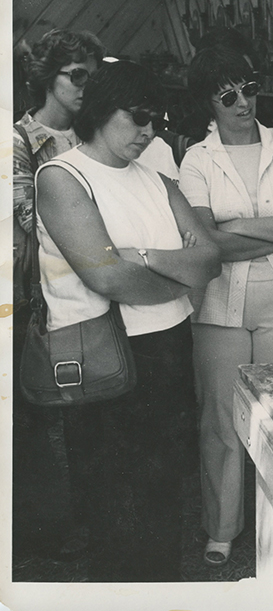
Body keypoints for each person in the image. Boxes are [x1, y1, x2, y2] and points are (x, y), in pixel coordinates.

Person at [34, 60, 222, 581]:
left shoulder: (157, 179)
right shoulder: (61, 177)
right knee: (117, 511)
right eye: (138, 116)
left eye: (155, 119)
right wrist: (177, 272)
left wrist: (140, 256)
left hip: (168, 349)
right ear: (98, 109)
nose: (149, 131)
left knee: (162, 499)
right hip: (108, 361)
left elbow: (210, 258)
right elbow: (108, 281)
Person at [179, 46, 273, 567]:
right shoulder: (196, 159)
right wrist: (272, 232)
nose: (243, 102)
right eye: (228, 94)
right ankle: (222, 526)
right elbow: (204, 243)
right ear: (208, 103)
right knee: (220, 417)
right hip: (218, 306)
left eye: (249, 88)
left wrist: (232, 230)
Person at [11, 28, 105, 561]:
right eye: (76, 76)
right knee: (48, 414)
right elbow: (33, 217)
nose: (86, 87)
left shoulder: (96, 130)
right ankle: (46, 528)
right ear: (47, 76)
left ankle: (93, 519)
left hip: (98, 288)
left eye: (93, 76)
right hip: (45, 296)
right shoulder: (20, 140)